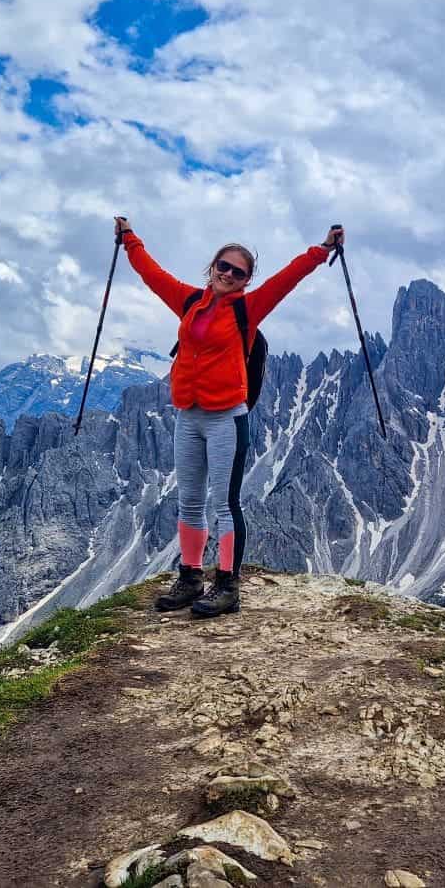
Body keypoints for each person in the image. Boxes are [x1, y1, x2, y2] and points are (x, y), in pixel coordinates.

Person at [115, 216, 343, 617]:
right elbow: (151, 274)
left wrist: (322, 250)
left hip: (226, 417)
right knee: (188, 500)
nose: (229, 275)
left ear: (246, 281)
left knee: (224, 502)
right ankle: (189, 578)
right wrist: (129, 238)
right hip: (189, 414)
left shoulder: (248, 310)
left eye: (239, 273)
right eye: (224, 267)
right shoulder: (188, 301)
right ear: (212, 268)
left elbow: (287, 279)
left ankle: (227, 585)